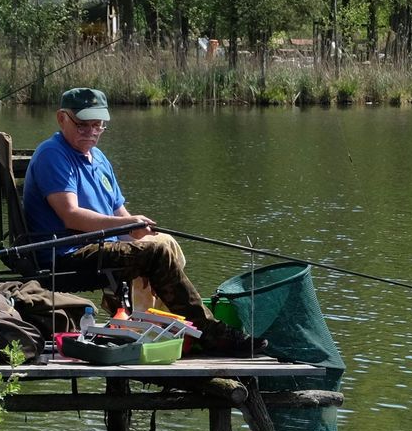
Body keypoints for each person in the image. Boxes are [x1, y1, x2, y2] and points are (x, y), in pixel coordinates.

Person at [22, 87, 263, 356]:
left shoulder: (98, 158)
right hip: (65, 253)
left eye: (98, 124)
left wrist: (135, 228)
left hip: (98, 247)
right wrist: (128, 229)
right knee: (155, 253)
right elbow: (71, 215)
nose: (91, 131)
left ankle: (169, 326)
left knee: (162, 242)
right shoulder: (53, 154)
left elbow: (119, 213)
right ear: (62, 118)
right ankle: (209, 332)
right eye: (82, 125)